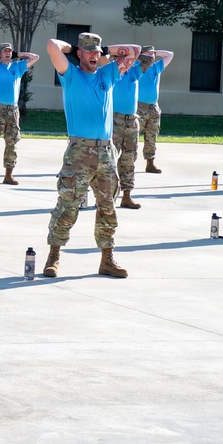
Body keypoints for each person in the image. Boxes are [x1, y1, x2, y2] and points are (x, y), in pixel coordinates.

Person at [43, 33, 140, 279]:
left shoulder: (108, 74)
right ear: (79, 54)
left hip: (106, 152)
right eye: (89, 51)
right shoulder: (71, 75)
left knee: (108, 206)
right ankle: (53, 256)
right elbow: (52, 46)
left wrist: (105, 48)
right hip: (79, 151)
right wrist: (74, 47)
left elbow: (134, 51)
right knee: (68, 204)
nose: (95, 56)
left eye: (97, 52)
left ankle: (107, 259)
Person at [0, 43, 40, 185]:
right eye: (5, 51)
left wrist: (19, 54)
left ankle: (8, 175)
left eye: (10, 51)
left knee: (12, 142)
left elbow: (35, 57)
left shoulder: (18, 67)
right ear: (0, 53)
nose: (8, 53)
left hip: (12, 110)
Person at [136, 45, 174, 174]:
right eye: (148, 54)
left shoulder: (157, 67)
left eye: (153, 54)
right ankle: (127, 164)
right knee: (133, 137)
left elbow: (170, 54)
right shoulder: (137, 67)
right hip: (139, 107)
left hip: (154, 107)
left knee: (151, 137)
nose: (151, 56)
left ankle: (150, 163)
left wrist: (155, 52)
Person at [112, 54, 143, 208]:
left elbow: (149, 60)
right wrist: (118, 55)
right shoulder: (111, 72)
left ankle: (126, 196)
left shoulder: (134, 72)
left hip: (131, 121)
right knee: (110, 159)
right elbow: (105, 57)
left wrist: (135, 54)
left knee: (129, 159)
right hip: (114, 120)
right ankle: (106, 198)